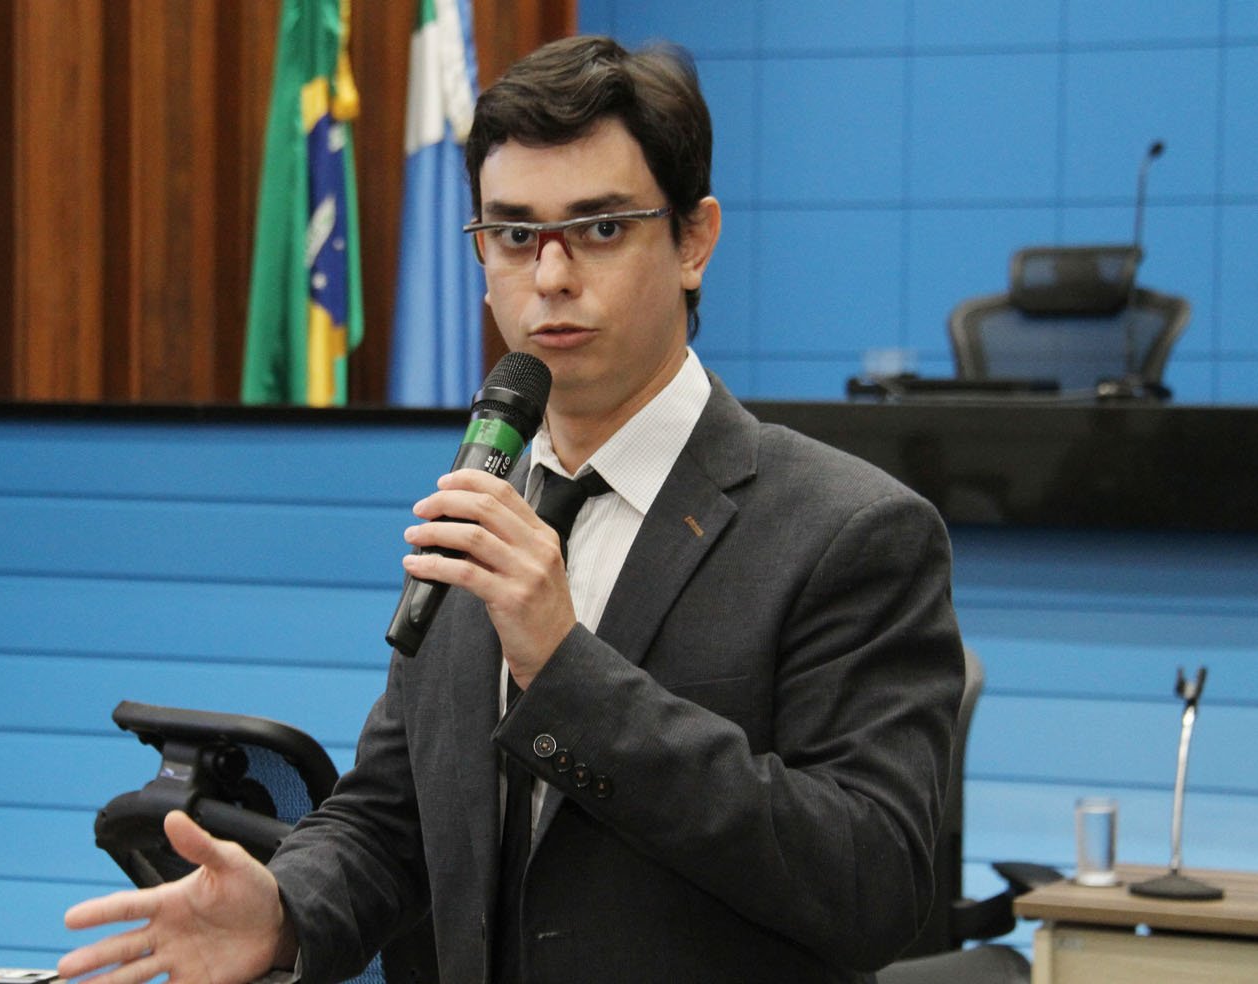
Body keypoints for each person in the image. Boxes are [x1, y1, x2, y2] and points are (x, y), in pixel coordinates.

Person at [58, 34, 963, 984]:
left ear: (694, 241)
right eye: (515, 234)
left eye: (601, 228)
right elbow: (394, 814)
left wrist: (564, 669)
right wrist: (287, 910)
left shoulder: (850, 532)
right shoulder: (484, 503)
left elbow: (872, 884)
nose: (551, 276)